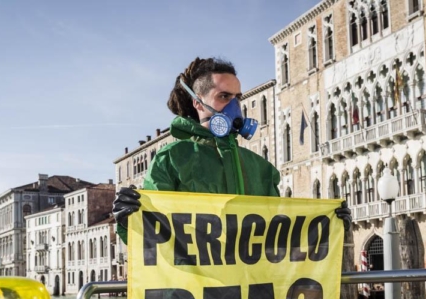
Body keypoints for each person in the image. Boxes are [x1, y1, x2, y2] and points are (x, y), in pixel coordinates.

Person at [112, 56, 353, 238]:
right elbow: (153, 238)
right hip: (194, 289)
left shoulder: (261, 168)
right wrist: (128, 221)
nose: (235, 106)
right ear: (198, 103)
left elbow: (278, 234)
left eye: (238, 97)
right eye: (224, 96)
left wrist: (328, 226)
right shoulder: (171, 159)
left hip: (251, 287)